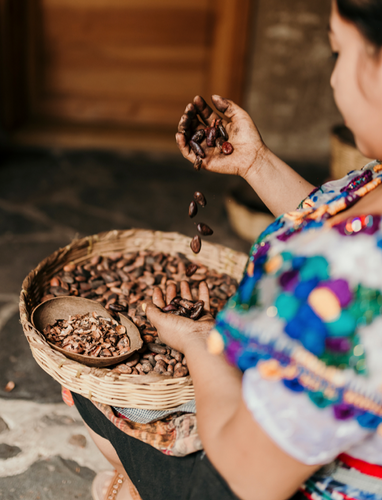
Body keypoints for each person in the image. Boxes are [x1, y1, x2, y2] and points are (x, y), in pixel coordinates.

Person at [72, 0, 382, 498]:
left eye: (336, 51)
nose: (332, 79)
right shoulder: (377, 187)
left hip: (282, 479)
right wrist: (256, 162)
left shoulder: (355, 283)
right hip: (321, 431)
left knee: (93, 391)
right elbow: (327, 223)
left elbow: (246, 477)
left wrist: (197, 343)